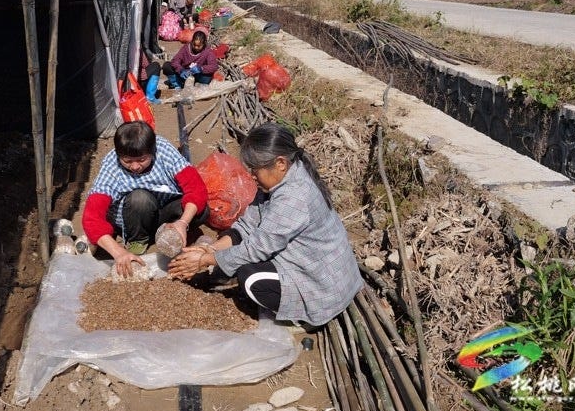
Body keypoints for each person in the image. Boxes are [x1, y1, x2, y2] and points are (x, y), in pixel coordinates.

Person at [168, 122, 364, 328]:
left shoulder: (294, 197)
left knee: (250, 278)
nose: (251, 176)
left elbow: (257, 248)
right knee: (231, 260)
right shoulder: (277, 181)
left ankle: (304, 318)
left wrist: (206, 260)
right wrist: (210, 250)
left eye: (255, 169)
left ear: (280, 163)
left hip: (322, 284)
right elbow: (247, 226)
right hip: (306, 261)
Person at [81, 121, 209, 277]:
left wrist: (183, 222)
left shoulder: (163, 150)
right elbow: (92, 217)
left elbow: (196, 188)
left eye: (142, 160)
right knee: (140, 198)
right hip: (134, 217)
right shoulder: (111, 166)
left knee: (202, 210)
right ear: (118, 155)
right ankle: (138, 241)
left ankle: (174, 232)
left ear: (152, 151)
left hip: (162, 209)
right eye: (127, 161)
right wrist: (119, 252)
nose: (135, 166)